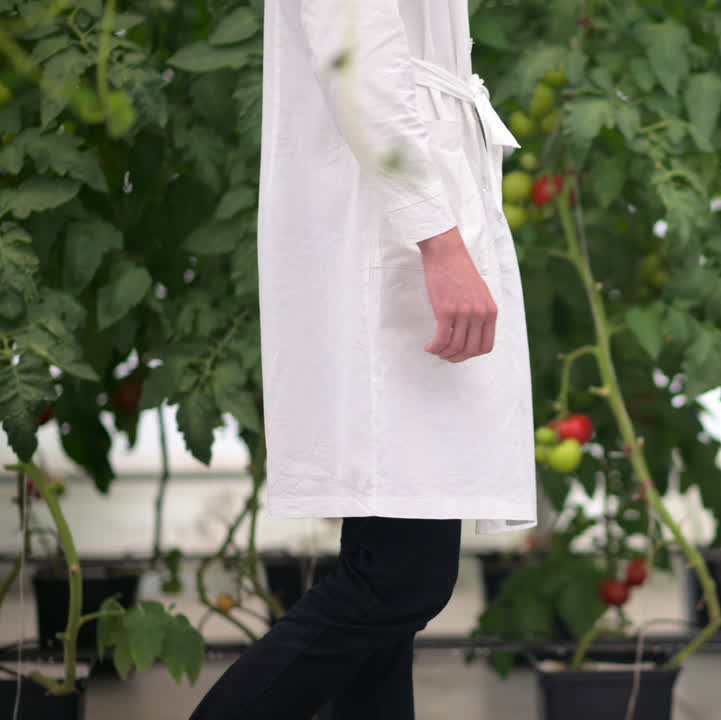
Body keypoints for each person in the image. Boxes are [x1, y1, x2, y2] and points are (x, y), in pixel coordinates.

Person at [190, 1, 536, 717]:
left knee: (388, 599)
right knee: (398, 584)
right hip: (394, 230)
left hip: (404, 210)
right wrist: (439, 241)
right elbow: (358, 59)